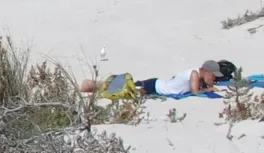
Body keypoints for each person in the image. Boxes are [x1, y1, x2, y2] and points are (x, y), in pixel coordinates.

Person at [80, 60, 223, 97]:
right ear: (205, 71)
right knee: (125, 88)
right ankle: (92, 84)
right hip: (154, 86)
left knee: (128, 88)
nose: (214, 78)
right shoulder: (194, 74)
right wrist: (209, 88)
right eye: (213, 75)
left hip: (157, 85)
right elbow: (194, 91)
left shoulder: (198, 75)